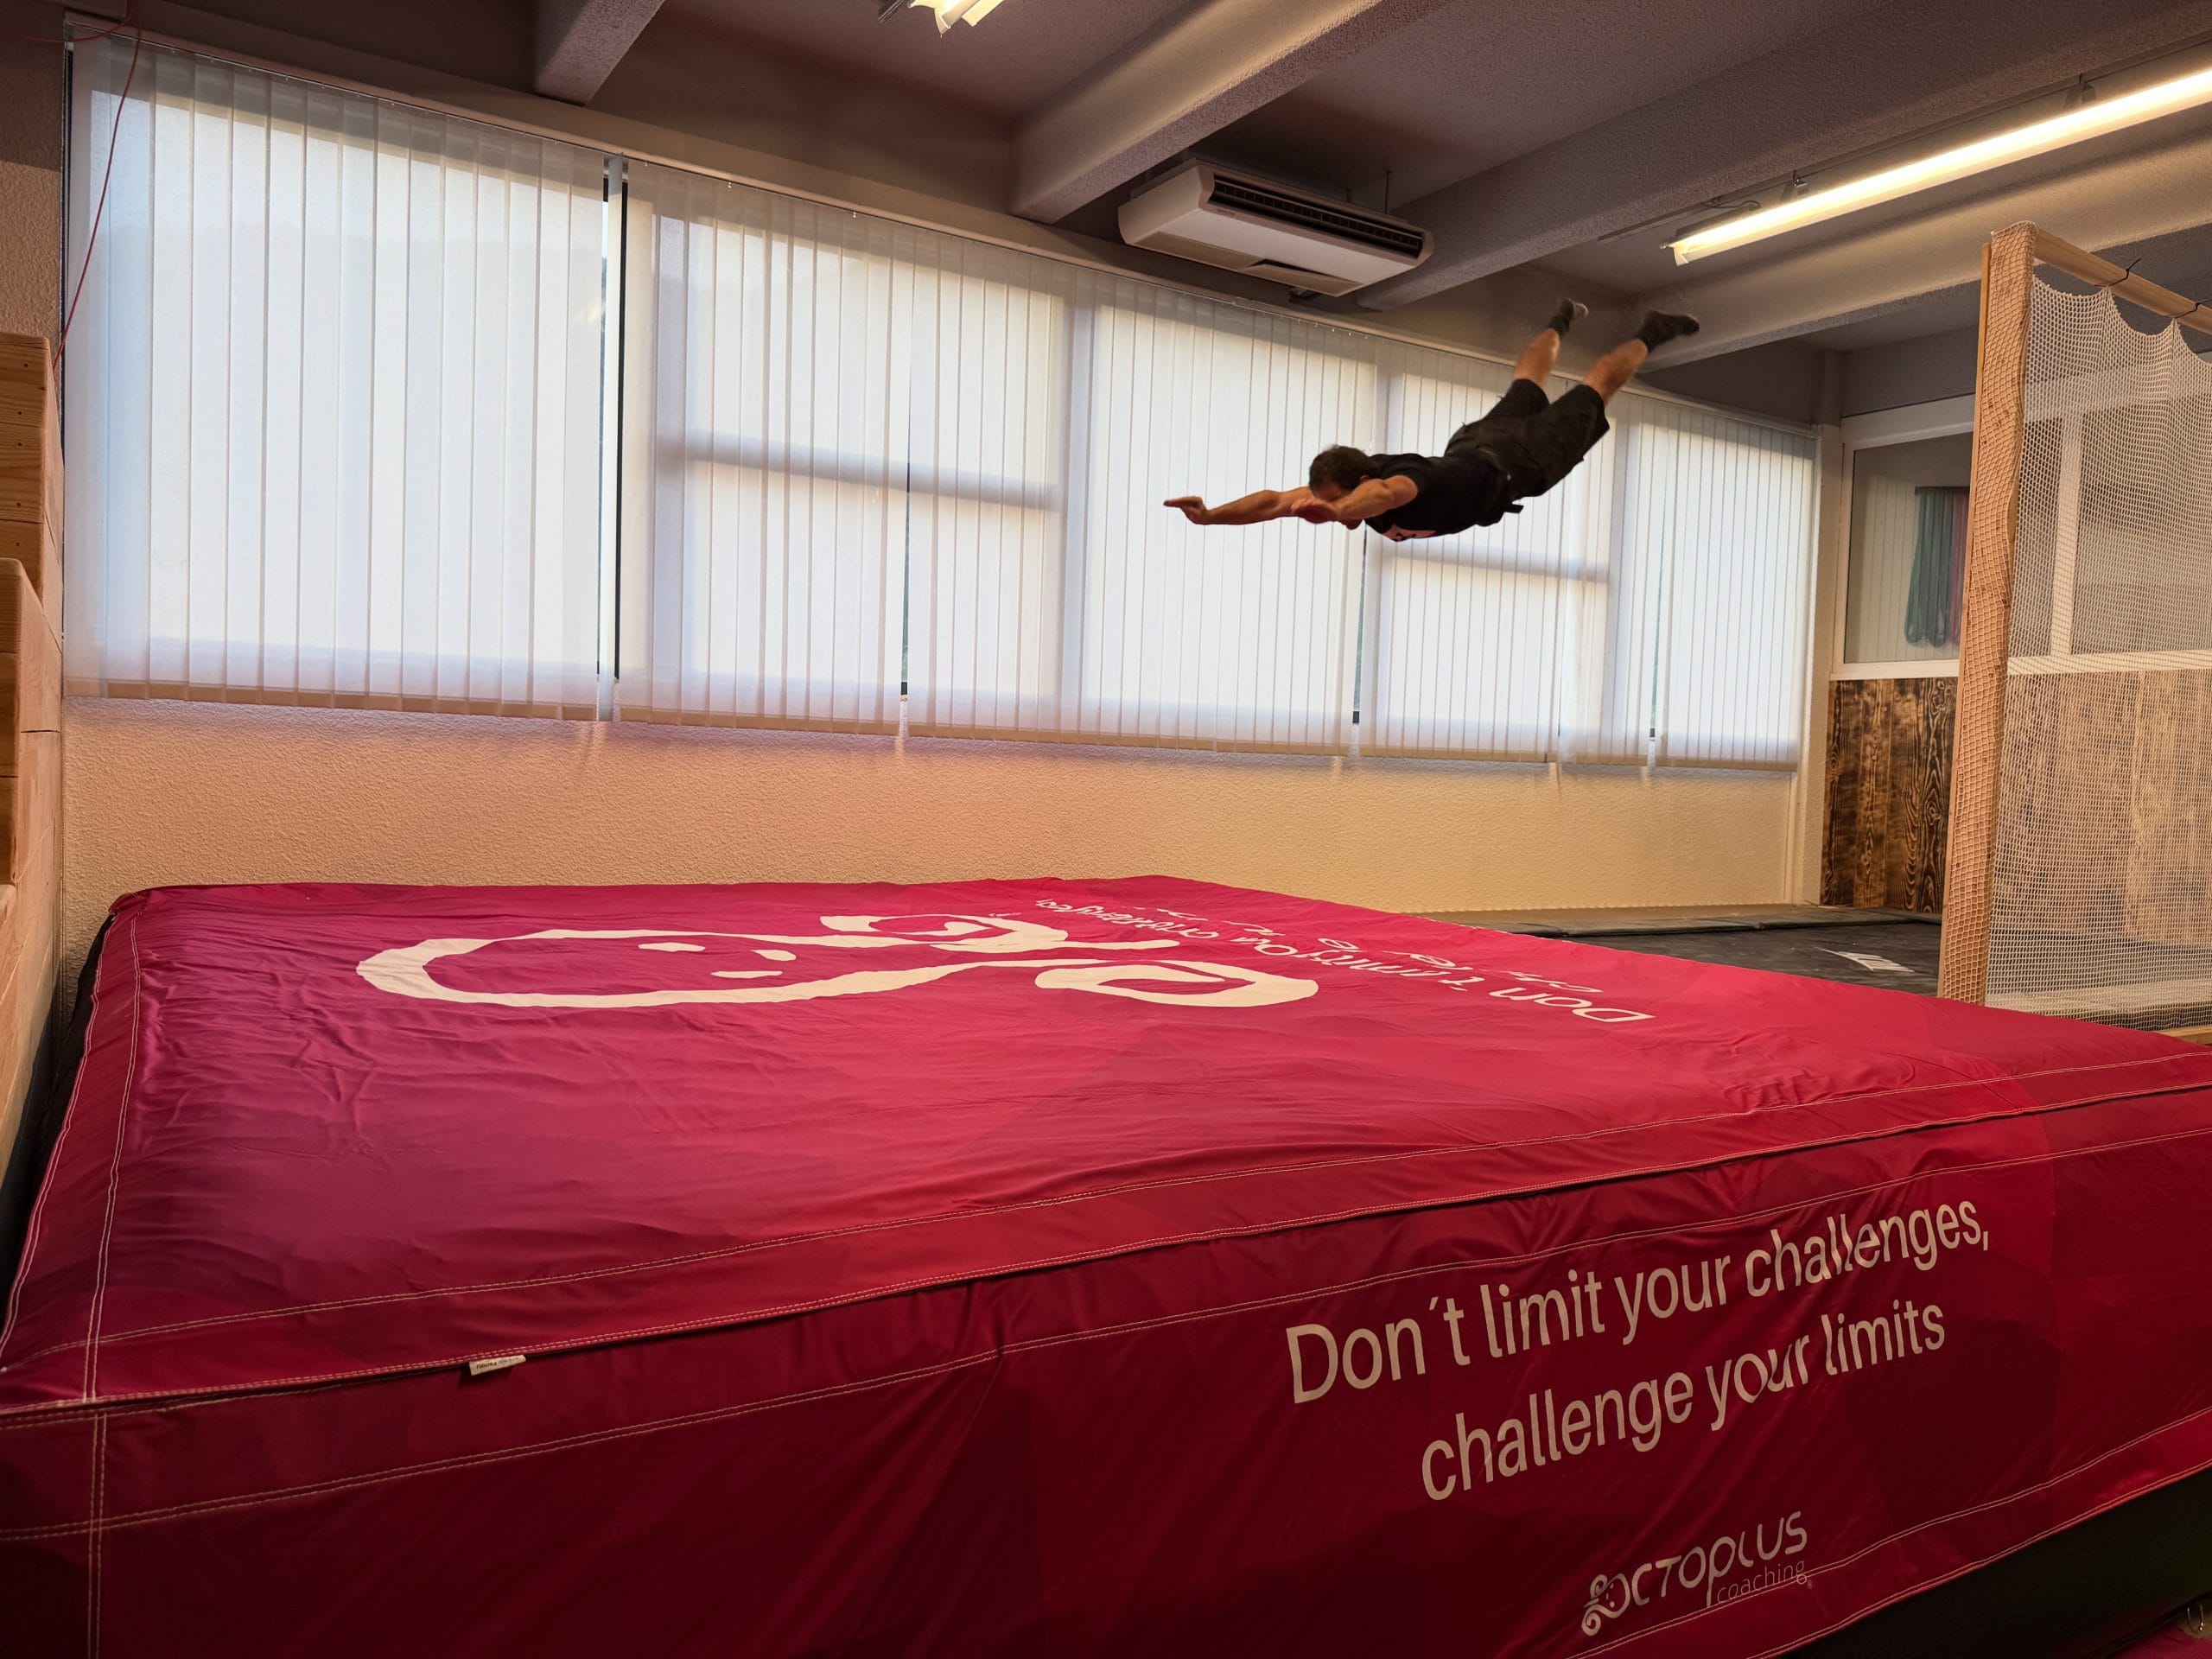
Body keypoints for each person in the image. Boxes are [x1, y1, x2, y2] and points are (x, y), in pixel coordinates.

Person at [1165, 303, 1700, 539]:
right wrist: (1211, 517)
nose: (1328, 509)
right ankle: (1559, 318)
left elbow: (1384, 498)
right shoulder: (1355, 477)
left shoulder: (1399, 484)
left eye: (1335, 500)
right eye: (1325, 499)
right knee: (1528, 383)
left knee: (1595, 388)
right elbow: (1273, 502)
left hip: (1521, 463)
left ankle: (1650, 330)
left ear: (1361, 482)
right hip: (1477, 446)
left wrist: (1338, 513)